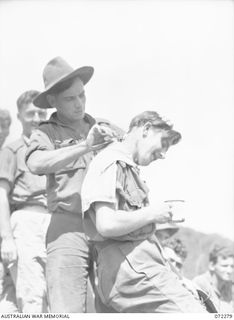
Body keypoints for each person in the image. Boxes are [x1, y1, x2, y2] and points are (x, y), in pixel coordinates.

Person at [81, 110, 207, 313]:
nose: (164, 154)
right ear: (146, 129)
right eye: (164, 142)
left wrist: (178, 278)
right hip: (133, 269)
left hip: (134, 269)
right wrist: (153, 214)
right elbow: (106, 224)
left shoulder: (125, 167)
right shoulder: (110, 161)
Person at [25, 56, 120, 313]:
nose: (79, 103)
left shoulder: (104, 128)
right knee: (66, 310)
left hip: (108, 227)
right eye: (70, 98)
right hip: (67, 228)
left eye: (82, 95)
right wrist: (85, 146)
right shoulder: (46, 133)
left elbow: (136, 152)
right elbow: (36, 163)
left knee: (116, 306)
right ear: (53, 102)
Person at [0, 91, 50, 313]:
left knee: (47, 296)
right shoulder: (11, 150)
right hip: (27, 221)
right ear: (19, 116)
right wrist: (7, 238)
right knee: (33, 298)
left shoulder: (53, 150)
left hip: (52, 221)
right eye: (30, 113)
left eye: (41, 112)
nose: (37, 118)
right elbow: (1, 195)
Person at [193, 244, 234, 313]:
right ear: (212, 265)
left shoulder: (231, 287)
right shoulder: (199, 284)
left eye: (232, 266)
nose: (229, 271)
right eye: (225, 266)